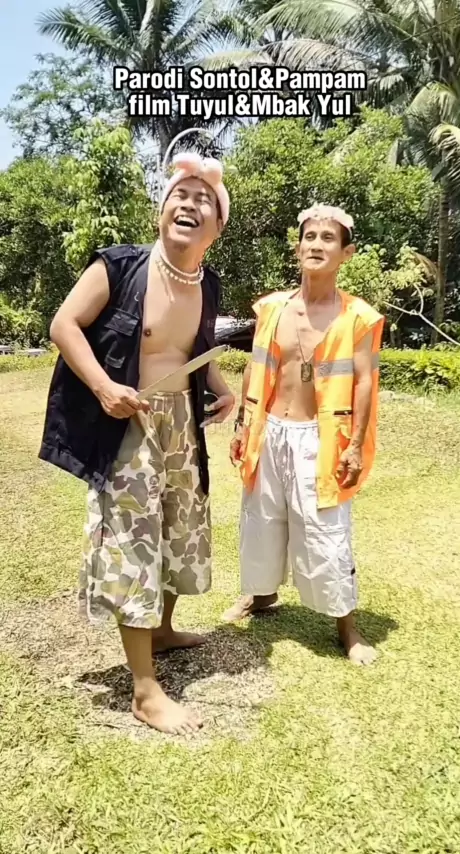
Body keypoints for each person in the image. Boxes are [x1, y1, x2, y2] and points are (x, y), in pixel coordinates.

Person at [39, 152, 235, 734]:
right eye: (180, 195)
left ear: (217, 227)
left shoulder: (208, 284)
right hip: (129, 422)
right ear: (161, 210)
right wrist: (104, 387)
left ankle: (164, 630)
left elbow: (193, 348)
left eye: (204, 200)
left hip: (182, 423)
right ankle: (145, 692)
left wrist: (223, 388)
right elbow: (63, 325)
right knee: (132, 542)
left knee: (180, 528)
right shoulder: (119, 267)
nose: (190, 204)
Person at [224, 203, 385, 666]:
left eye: (327, 238)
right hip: (269, 430)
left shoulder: (358, 317)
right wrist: (242, 425)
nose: (316, 244)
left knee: (326, 530)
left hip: (323, 437)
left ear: (346, 253)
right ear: (298, 248)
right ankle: (261, 595)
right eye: (309, 237)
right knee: (262, 520)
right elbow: (256, 367)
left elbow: (364, 381)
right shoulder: (273, 308)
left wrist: (355, 444)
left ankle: (347, 627)